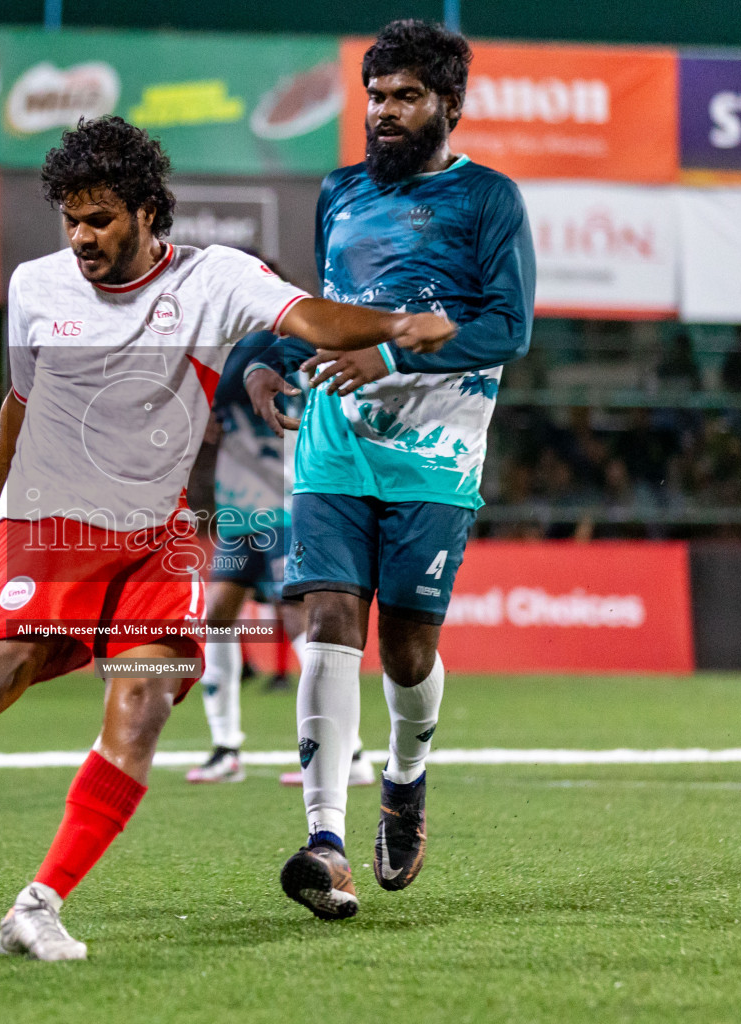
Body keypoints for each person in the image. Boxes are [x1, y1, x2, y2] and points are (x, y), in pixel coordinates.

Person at [0, 115, 453, 962]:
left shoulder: (216, 280)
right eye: (70, 219)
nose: (81, 237)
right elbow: (20, 399)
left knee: (141, 704)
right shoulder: (37, 286)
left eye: (98, 218)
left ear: (145, 213)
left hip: (153, 536)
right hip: (50, 519)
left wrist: (396, 326)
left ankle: (38, 905)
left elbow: (308, 319)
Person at [247, 20, 534, 920]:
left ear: (448, 104)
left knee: (409, 653)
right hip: (334, 445)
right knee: (330, 617)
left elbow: (509, 327)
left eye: (405, 97)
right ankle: (325, 840)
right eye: (375, 97)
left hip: (437, 458)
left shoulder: (490, 200)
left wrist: (398, 359)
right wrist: (266, 358)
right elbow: (329, 307)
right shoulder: (339, 191)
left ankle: (406, 777)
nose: (384, 113)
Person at [187, 330, 376, 789]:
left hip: (288, 504)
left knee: (297, 618)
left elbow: (225, 386)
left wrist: (198, 397)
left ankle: (350, 754)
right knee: (216, 617)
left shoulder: (276, 352)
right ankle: (226, 749)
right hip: (240, 513)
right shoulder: (227, 357)